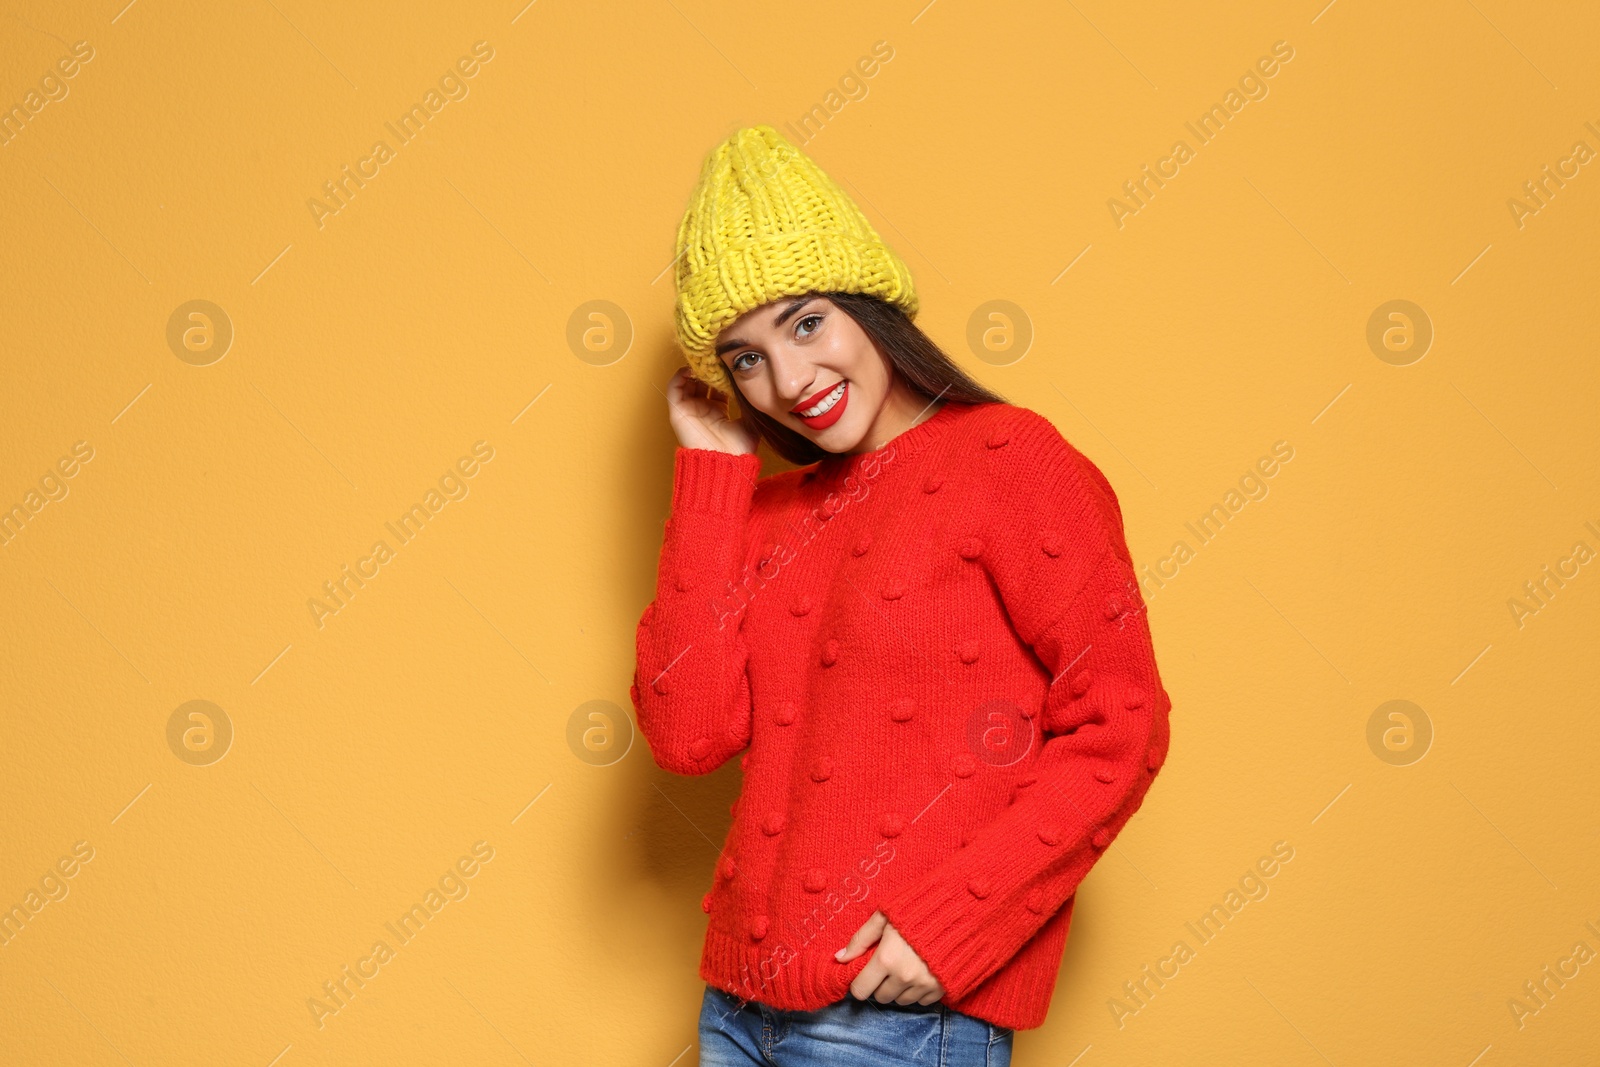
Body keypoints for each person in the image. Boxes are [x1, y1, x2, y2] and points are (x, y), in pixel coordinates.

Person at [632, 125, 1173, 1066]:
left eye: (806, 323)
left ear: (869, 305)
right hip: (733, 1007)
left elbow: (1120, 723)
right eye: (745, 357)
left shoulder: (1011, 461)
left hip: (892, 1022)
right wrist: (711, 475)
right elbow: (689, 738)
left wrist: (954, 924)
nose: (791, 381)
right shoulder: (761, 514)